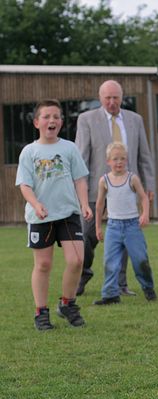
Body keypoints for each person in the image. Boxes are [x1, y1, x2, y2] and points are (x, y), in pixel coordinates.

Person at [15, 99, 92, 330]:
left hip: (67, 213)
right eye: (47, 116)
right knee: (44, 265)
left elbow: (79, 179)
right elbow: (24, 185)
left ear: (61, 122)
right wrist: (36, 204)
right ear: (37, 122)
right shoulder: (29, 151)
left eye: (56, 117)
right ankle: (41, 312)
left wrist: (84, 203)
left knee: (77, 260)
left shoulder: (69, 148)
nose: (52, 120)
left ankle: (67, 304)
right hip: (40, 217)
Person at [74, 80, 155, 296]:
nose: (111, 102)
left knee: (125, 237)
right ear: (100, 98)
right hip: (95, 189)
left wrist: (149, 186)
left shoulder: (135, 120)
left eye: (115, 97)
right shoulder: (86, 119)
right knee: (87, 235)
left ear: (122, 97)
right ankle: (83, 274)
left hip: (128, 189)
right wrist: (79, 191)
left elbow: (145, 156)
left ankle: (120, 284)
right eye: (107, 98)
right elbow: (81, 157)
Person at [93, 142, 157, 305]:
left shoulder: (132, 178)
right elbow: (100, 204)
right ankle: (110, 294)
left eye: (122, 159)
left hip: (132, 227)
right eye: (115, 159)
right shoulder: (104, 181)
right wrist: (98, 227)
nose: (119, 162)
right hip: (113, 227)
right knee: (110, 262)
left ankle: (148, 288)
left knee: (140, 260)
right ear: (108, 161)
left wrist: (145, 214)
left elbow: (143, 197)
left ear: (127, 160)